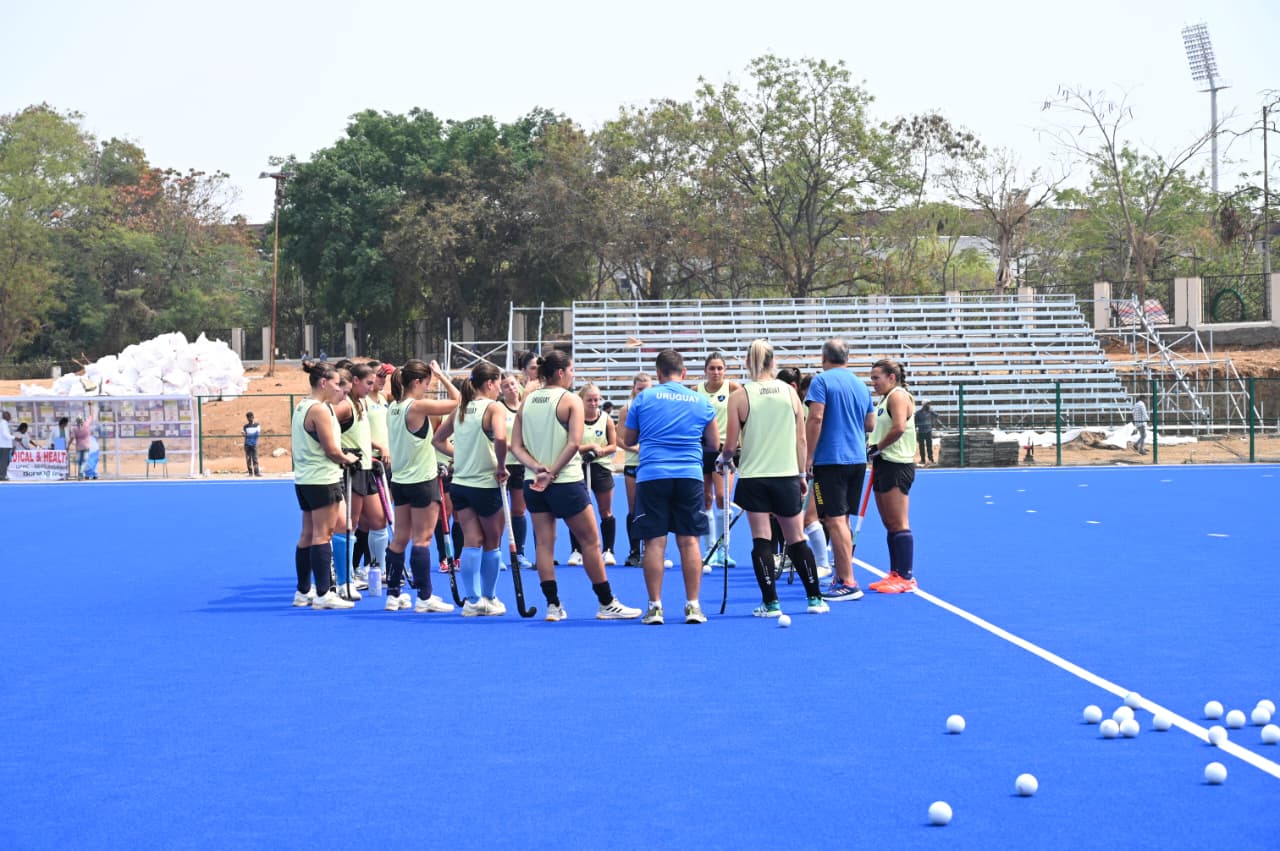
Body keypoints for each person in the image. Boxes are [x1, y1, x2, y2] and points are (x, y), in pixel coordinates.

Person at [510, 349, 640, 622]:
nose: (573, 375)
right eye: (571, 371)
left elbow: (516, 446)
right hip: (565, 481)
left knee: (544, 544)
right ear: (560, 372)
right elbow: (573, 444)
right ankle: (606, 603)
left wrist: (536, 469)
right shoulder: (570, 400)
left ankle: (553, 605)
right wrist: (553, 472)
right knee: (591, 541)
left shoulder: (528, 400)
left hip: (534, 483)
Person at [721, 340, 829, 617]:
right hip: (786, 476)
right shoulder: (790, 393)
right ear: (773, 362)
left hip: (754, 477)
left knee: (762, 540)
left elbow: (730, 447)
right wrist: (802, 473)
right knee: (796, 538)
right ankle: (814, 598)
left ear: (748, 362)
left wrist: (723, 460)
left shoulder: (739, 396)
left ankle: (771, 603)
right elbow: (802, 439)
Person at [622, 349, 719, 625]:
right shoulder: (700, 401)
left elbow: (628, 439)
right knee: (689, 540)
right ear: (684, 373)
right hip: (689, 474)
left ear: (658, 373)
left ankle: (655, 607)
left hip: (653, 473)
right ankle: (693, 606)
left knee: (655, 541)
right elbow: (713, 443)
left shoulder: (644, 397)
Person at [384, 359, 461, 613]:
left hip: (401, 481)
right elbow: (459, 400)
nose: (428, 388)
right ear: (417, 382)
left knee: (400, 538)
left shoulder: (393, 407)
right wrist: (442, 375)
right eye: (427, 383)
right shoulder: (417, 406)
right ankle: (425, 597)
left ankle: (393, 594)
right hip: (421, 480)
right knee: (423, 538)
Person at [433, 362, 510, 616]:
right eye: (499, 382)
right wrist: (501, 465)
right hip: (485, 484)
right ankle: (489, 597)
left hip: (461, 484)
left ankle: (473, 600)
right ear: (489, 383)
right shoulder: (493, 407)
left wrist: (461, 456)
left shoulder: (462, 408)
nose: (500, 387)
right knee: (492, 541)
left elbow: (437, 440)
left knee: (471, 540)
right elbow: (500, 438)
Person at [805, 338, 875, 602]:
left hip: (830, 459)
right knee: (842, 519)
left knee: (834, 519)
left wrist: (808, 456)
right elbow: (870, 423)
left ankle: (847, 580)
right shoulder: (860, 384)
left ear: (824, 357)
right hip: (856, 459)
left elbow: (816, 417)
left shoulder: (821, 381)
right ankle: (842, 575)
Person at [290, 360, 360, 610]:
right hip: (322, 478)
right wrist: (348, 458)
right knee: (323, 534)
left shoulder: (303, 406)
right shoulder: (319, 410)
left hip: (306, 479)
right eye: (335, 383)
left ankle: (303, 591)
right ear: (323, 383)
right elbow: (331, 449)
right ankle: (322, 593)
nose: (339, 387)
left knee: (308, 534)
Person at [332, 362, 391, 601]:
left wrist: (377, 449)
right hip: (353, 470)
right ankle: (343, 576)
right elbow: (324, 424)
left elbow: (364, 435)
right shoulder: (345, 406)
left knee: (378, 520)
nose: (371, 386)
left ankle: (377, 568)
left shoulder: (361, 403)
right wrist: (341, 452)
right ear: (355, 381)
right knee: (350, 523)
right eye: (368, 382)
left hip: (367, 468)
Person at [865, 359, 920, 594]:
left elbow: (898, 428)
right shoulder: (884, 399)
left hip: (897, 464)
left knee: (898, 522)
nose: (873, 382)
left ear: (891, 377)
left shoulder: (898, 396)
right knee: (889, 523)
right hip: (883, 464)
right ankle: (895, 572)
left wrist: (877, 447)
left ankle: (906, 576)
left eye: (876, 377)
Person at [697, 352, 743, 567]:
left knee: (723, 496)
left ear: (725, 371)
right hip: (702, 447)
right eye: (712, 368)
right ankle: (709, 549)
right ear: (705, 370)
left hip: (724, 448)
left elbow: (745, 414)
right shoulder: (696, 391)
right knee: (705, 498)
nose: (716, 372)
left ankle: (724, 549)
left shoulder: (733, 389)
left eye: (719, 368)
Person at [566, 383, 618, 566]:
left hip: (601, 468)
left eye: (597, 399)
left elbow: (613, 445)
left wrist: (599, 452)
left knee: (605, 511)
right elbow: (570, 445)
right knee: (577, 511)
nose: (594, 403)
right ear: (581, 400)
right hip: (578, 468)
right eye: (590, 400)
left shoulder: (606, 420)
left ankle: (608, 550)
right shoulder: (575, 420)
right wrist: (587, 449)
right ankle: (576, 550)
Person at [498, 372, 533, 569]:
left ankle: (519, 553)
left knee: (519, 510)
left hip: (522, 465)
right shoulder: (499, 409)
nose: (511, 388)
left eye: (512, 384)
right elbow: (497, 437)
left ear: (518, 384)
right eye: (506, 386)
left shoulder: (526, 409)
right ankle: (497, 552)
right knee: (499, 510)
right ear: (501, 390)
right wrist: (515, 447)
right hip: (503, 463)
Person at [617, 372, 652, 566]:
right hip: (633, 463)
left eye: (647, 389)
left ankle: (651, 550)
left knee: (651, 508)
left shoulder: (657, 406)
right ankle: (634, 550)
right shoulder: (627, 409)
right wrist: (635, 448)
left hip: (652, 463)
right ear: (633, 389)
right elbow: (619, 439)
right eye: (639, 389)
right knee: (633, 509)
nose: (643, 393)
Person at [915, 401, 939, 467]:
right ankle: (922, 460)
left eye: (929, 404)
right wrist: (916, 428)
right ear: (924, 405)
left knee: (929, 446)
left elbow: (937, 416)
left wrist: (933, 423)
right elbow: (915, 422)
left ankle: (931, 459)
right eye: (927, 404)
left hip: (928, 431)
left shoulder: (930, 412)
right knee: (921, 447)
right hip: (921, 431)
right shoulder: (918, 413)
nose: (929, 405)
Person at [243, 412, 262, 476]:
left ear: (253, 417)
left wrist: (248, 434)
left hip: (254, 444)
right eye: (248, 417)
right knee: (248, 459)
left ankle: (257, 472)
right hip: (247, 444)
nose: (250, 419)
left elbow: (257, 434)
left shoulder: (257, 425)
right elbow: (245, 434)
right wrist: (245, 434)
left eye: (251, 417)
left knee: (255, 458)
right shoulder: (245, 426)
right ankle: (250, 473)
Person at [0, 411, 12, 481]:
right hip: (4, 446)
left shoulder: (3, 423)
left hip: (4, 445)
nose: (10, 417)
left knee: (4, 461)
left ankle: (2, 475)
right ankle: (2, 476)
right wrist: (13, 437)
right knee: (4, 461)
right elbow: (5, 434)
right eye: (9, 416)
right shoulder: (4, 424)